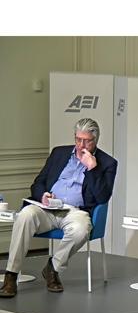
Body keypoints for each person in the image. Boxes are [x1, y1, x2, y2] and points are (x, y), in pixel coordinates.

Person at [0, 118, 117, 297]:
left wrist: (92, 169)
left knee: (80, 230)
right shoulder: (59, 154)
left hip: (76, 212)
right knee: (25, 216)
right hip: (47, 208)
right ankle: (11, 275)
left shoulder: (107, 163)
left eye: (87, 140)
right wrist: (43, 195)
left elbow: (103, 197)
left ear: (96, 140)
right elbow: (38, 182)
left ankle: (53, 268)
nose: (81, 144)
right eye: (78, 139)